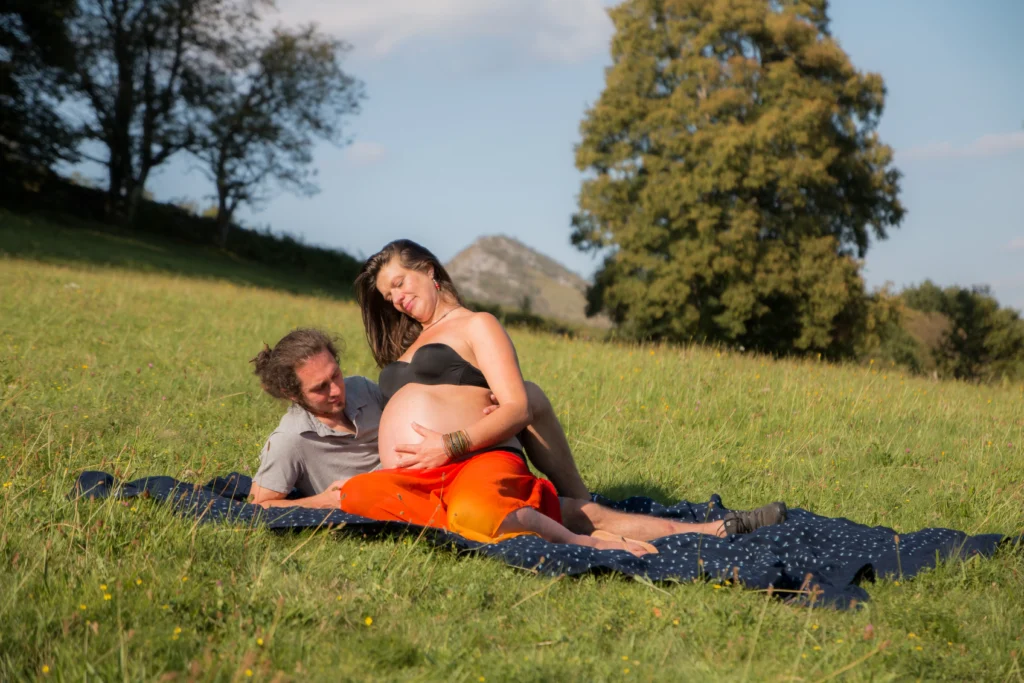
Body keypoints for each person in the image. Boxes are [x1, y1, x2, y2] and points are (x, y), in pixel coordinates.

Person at [324, 239, 787, 551]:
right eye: (388, 297)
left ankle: (696, 533)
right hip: (419, 477)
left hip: (471, 461)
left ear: (428, 271)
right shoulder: (412, 343)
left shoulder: (475, 325)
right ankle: (267, 504)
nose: (397, 300)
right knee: (357, 494)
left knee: (495, 510)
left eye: (399, 284)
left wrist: (450, 442)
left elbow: (518, 405)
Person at [249, 327, 786, 553]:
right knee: (541, 516)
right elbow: (265, 506)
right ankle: (603, 543)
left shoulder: (365, 393)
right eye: (321, 389)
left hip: (445, 472)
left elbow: (411, 414)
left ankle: (711, 529)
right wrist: (346, 495)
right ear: (292, 396)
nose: (339, 390)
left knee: (574, 507)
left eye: (337, 375)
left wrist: (465, 411)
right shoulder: (289, 442)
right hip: (396, 499)